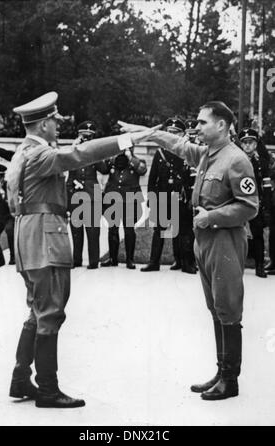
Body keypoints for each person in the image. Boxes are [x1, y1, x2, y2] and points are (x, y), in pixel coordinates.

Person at [6, 91, 148, 408]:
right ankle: (47, 389)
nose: (58, 126)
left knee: (37, 311)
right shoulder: (40, 155)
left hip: (30, 238)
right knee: (51, 312)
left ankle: (21, 378)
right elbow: (81, 155)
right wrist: (126, 140)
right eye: (54, 121)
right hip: (45, 238)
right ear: (43, 125)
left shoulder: (25, 152)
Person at [120, 101, 259, 400]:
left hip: (225, 241)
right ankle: (222, 371)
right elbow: (178, 144)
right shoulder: (208, 154)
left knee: (228, 309)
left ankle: (230, 380)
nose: (196, 127)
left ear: (221, 125)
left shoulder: (236, 160)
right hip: (205, 241)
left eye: (202, 122)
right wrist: (148, 134)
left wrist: (212, 216)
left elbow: (249, 207)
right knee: (216, 308)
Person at [141, 117, 196, 274]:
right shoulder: (160, 152)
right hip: (163, 198)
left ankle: (186, 263)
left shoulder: (188, 152)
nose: (172, 135)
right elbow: (153, 179)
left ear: (182, 134)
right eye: (169, 132)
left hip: (181, 197)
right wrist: (152, 200)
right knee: (159, 231)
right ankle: (154, 262)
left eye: (176, 133)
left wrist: (192, 198)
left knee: (185, 231)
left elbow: (193, 178)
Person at [100, 131, 147, 269]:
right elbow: (103, 169)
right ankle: (113, 259)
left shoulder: (137, 161)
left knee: (129, 230)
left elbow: (142, 170)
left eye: (129, 147)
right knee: (112, 229)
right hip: (113, 199)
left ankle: (129, 260)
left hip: (130, 200)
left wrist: (130, 158)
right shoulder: (113, 160)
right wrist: (112, 155)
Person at [66, 121, 107, 269]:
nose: (86, 139)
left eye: (89, 137)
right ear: (78, 136)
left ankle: (93, 261)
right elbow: (68, 171)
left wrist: (94, 151)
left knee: (93, 230)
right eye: (84, 136)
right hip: (76, 194)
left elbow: (104, 169)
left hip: (91, 194)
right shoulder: (73, 152)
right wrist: (74, 148)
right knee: (76, 229)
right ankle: (76, 260)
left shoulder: (95, 153)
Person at [239, 128, 271, 278]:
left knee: (257, 234)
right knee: (237, 234)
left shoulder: (261, 163)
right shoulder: (236, 161)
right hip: (238, 203)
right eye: (244, 143)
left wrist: (266, 204)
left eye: (250, 142)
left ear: (256, 144)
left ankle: (259, 266)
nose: (247, 146)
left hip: (255, 203)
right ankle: (237, 266)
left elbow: (266, 185)